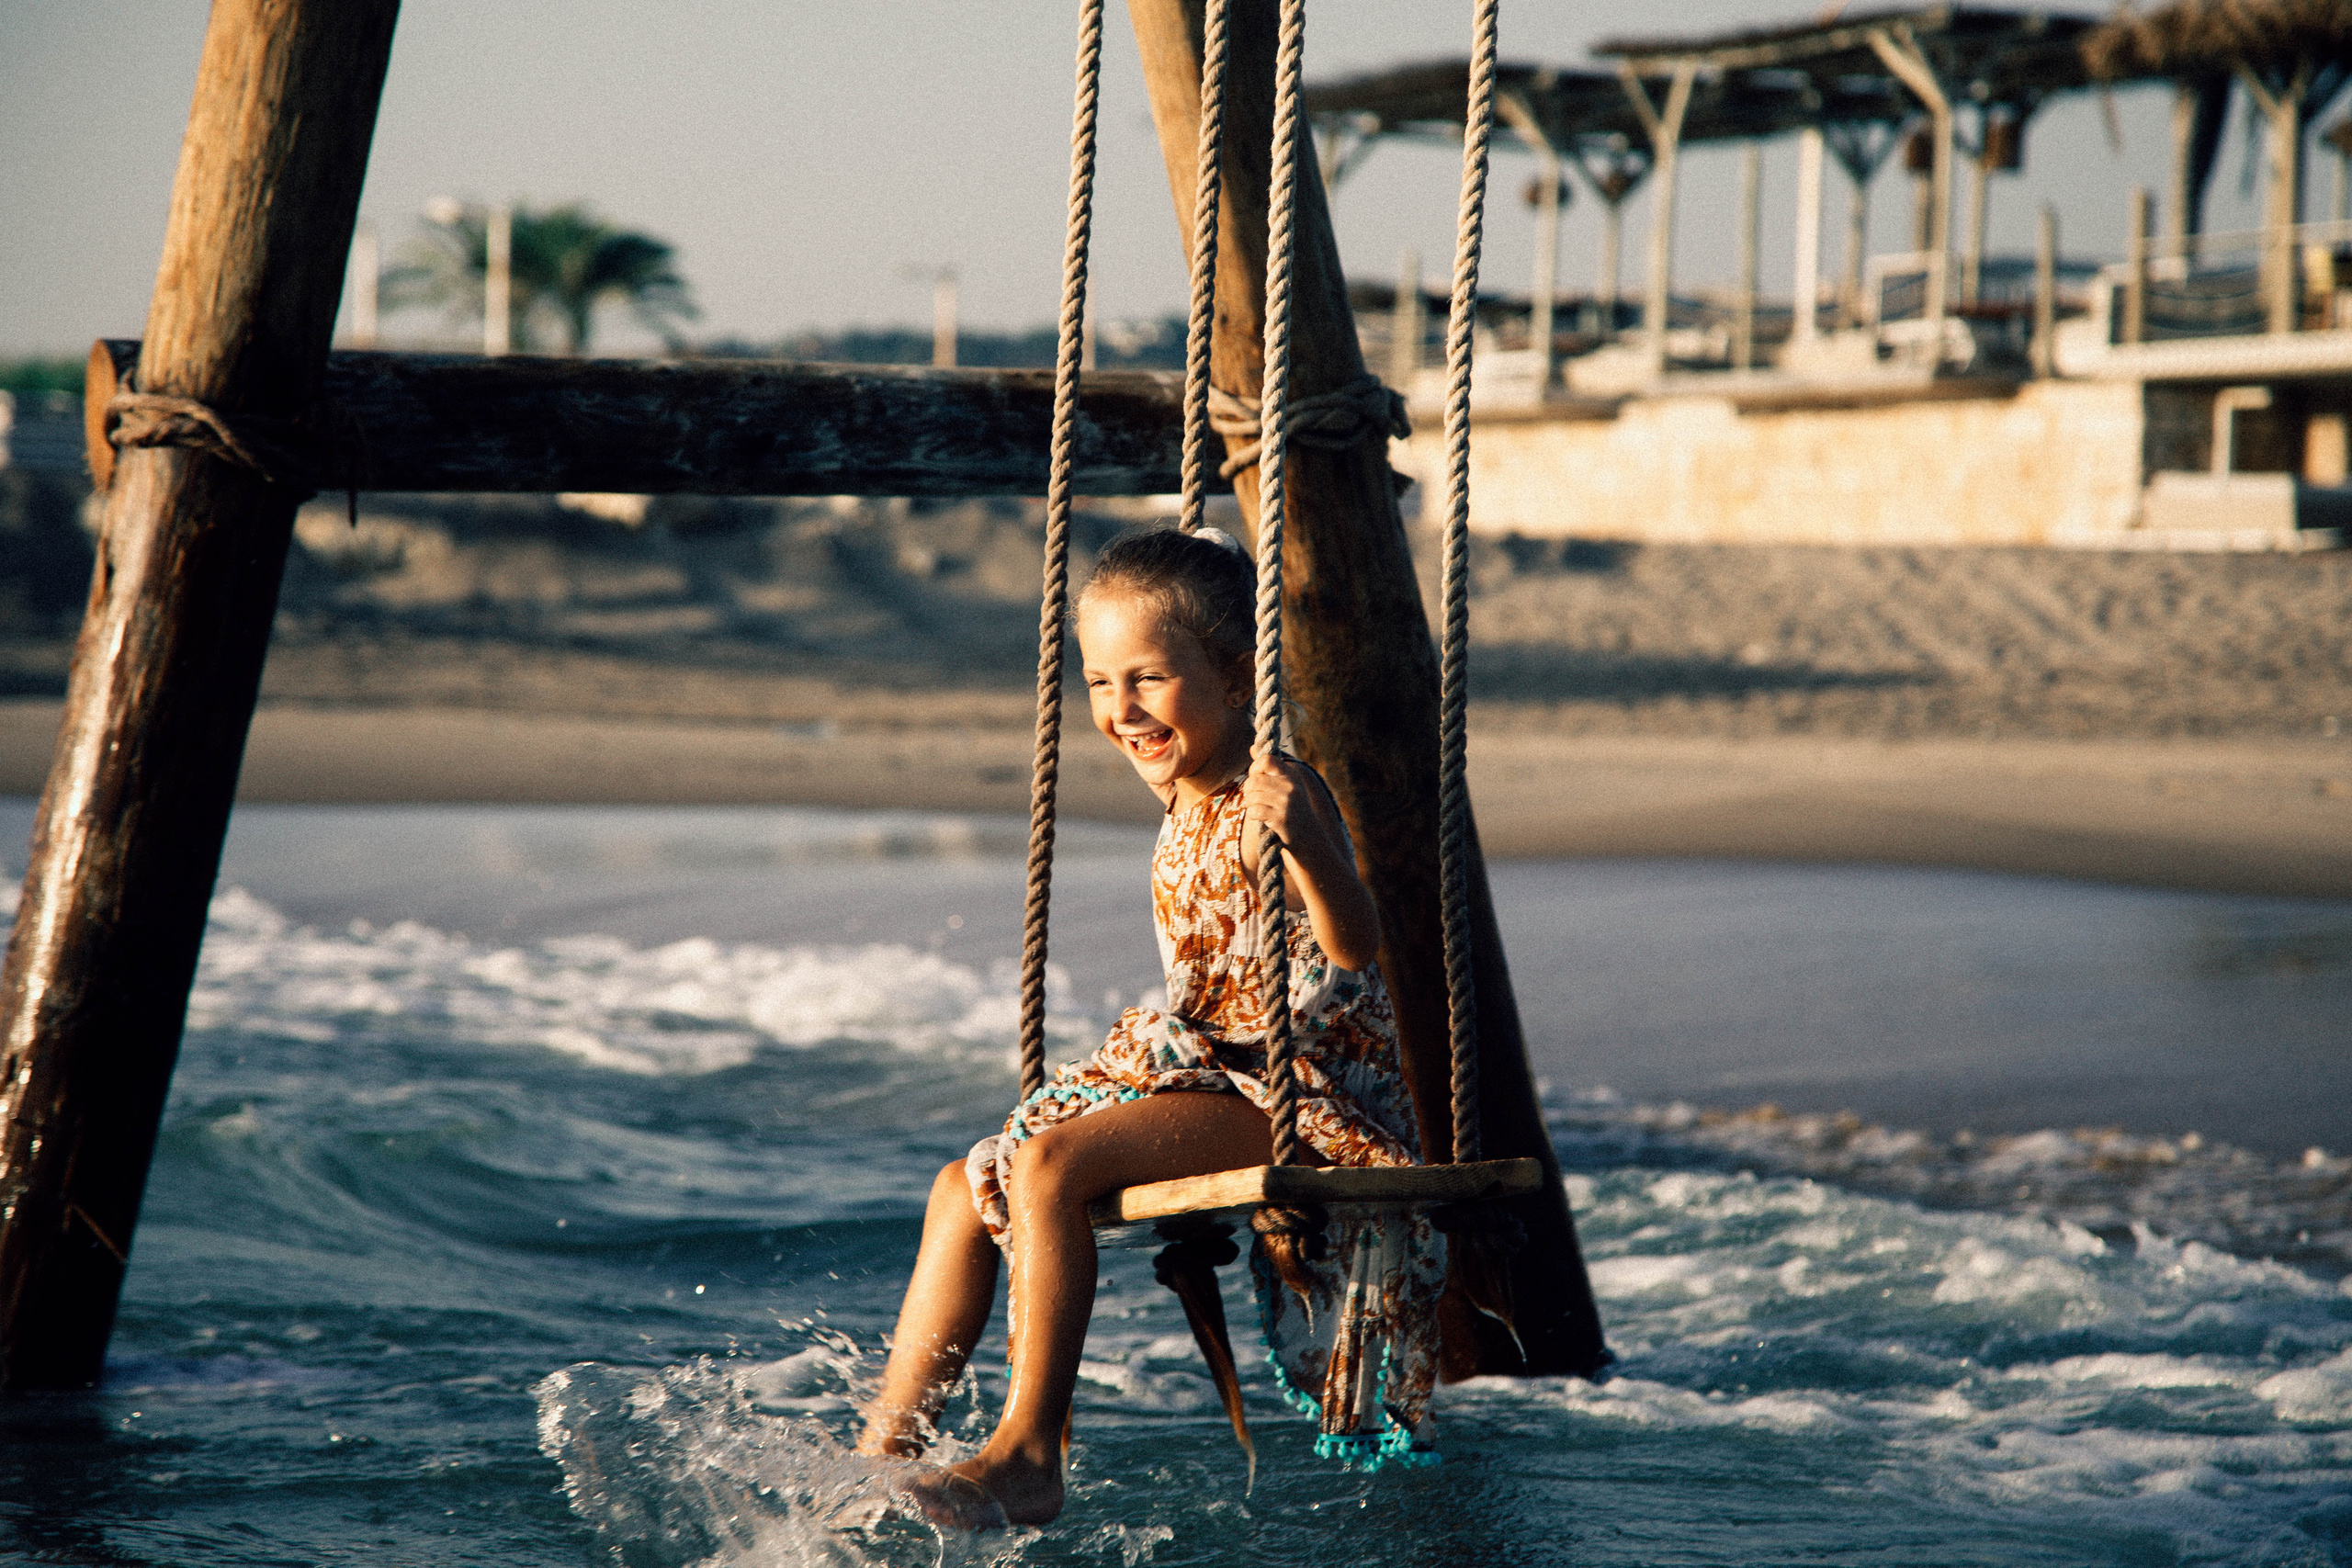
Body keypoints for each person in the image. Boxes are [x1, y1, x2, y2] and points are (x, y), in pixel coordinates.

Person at [855, 526, 1443, 1528]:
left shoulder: (1280, 795)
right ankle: (881, 1453)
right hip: (1210, 1068)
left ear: (1233, 676)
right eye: (1097, 683)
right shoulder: (1179, 783)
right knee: (963, 1185)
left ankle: (1028, 1453)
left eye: (1148, 680)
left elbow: (1354, 946)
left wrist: (1313, 846)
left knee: (1045, 1173)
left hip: (1294, 1093)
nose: (1119, 711)